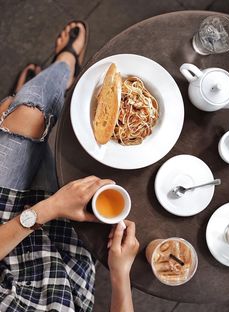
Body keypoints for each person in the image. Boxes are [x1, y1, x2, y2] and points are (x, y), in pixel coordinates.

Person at [0, 21, 139, 312]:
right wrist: (120, 274)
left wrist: (49, 209)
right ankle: (52, 82)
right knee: (42, 127)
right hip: (67, 268)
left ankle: (64, 62)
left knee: (28, 112)